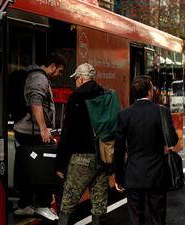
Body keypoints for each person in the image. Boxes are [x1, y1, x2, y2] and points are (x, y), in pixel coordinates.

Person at [13, 52, 66, 219]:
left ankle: (26, 204)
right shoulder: (39, 78)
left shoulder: (36, 76)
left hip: (27, 130)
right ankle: (43, 205)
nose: (59, 75)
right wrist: (44, 129)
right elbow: (35, 103)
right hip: (32, 131)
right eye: (59, 71)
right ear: (52, 66)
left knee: (29, 168)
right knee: (44, 166)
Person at [56, 63, 109, 225]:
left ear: (80, 78)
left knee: (68, 201)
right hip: (102, 155)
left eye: (76, 79)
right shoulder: (105, 95)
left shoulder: (76, 97)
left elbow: (68, 133)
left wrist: (60, 163)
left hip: (82, 157)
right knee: (99, 204)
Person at [114, 75, 168, 225]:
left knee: (136, 218)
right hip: (157, 173)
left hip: (133, 173)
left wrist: (119, 176)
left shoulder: (124, 115)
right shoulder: (162, 112)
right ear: (150, 92)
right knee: (158, 217)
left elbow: (118, 149)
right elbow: (173, 140)